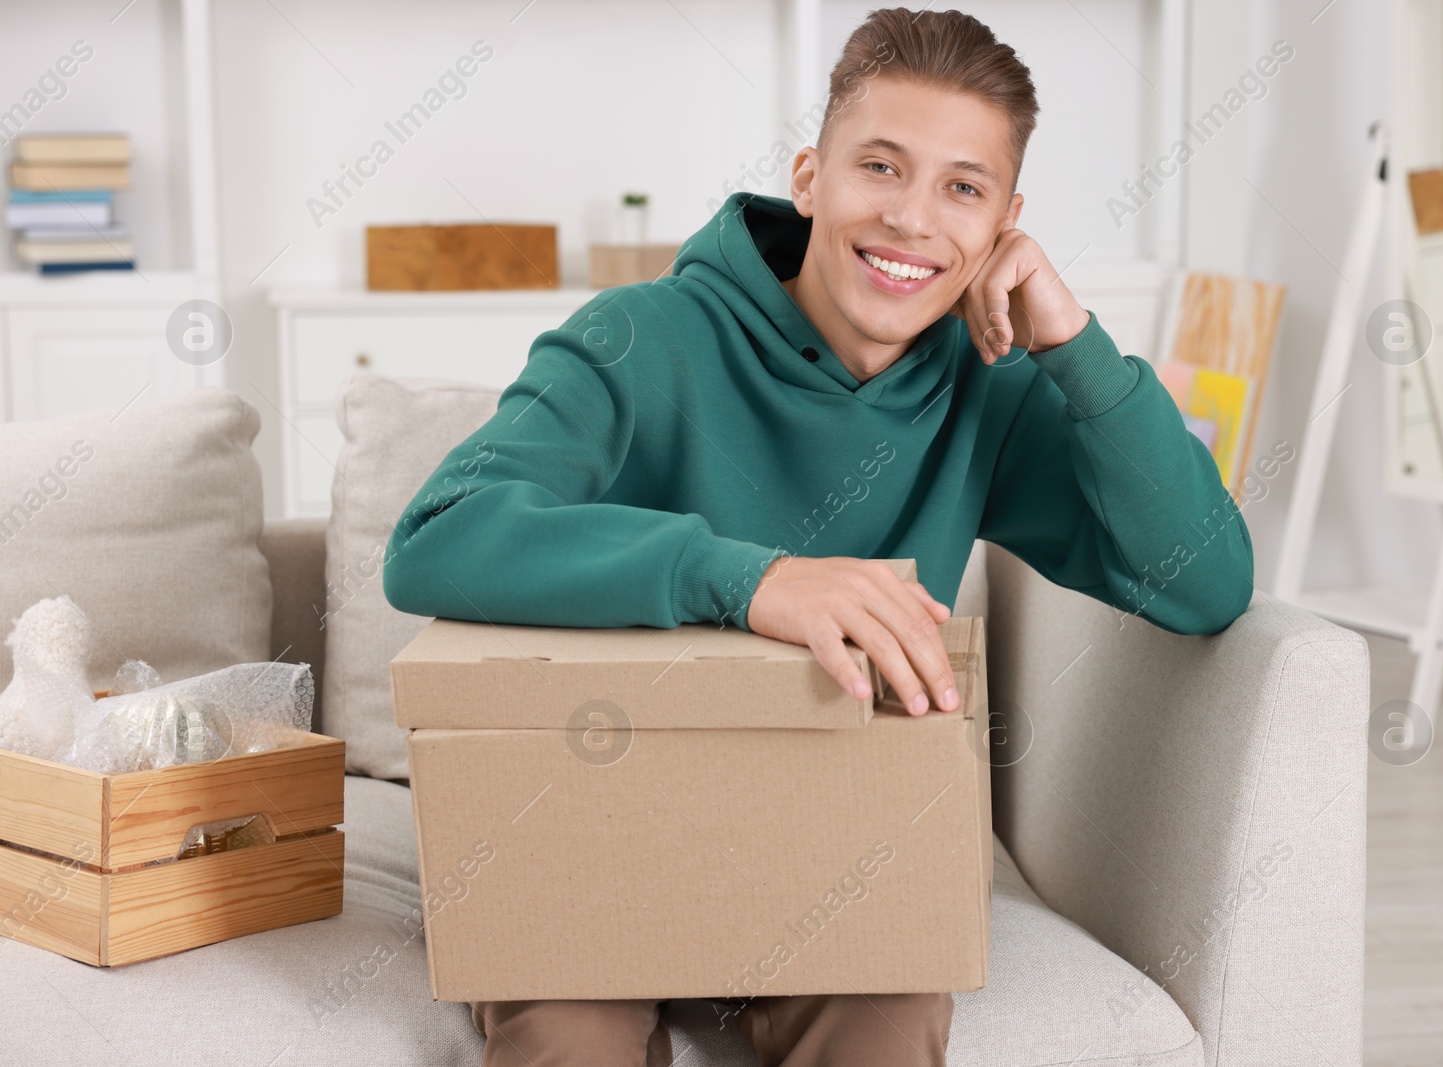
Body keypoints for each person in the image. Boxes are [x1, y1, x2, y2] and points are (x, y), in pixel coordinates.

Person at [382, 7, 1254, 1066]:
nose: (912, 220)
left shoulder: (994, 392)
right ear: (809, 175)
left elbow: (1205, 584)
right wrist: (751, 580)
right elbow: (436, 535)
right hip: (596, 824)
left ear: (1004, 224)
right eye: (879, 167)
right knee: (568, 1036)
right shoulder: (640, 337)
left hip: (845, 844)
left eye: (962, 189)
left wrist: (1074, 344)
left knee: (885, 1033)